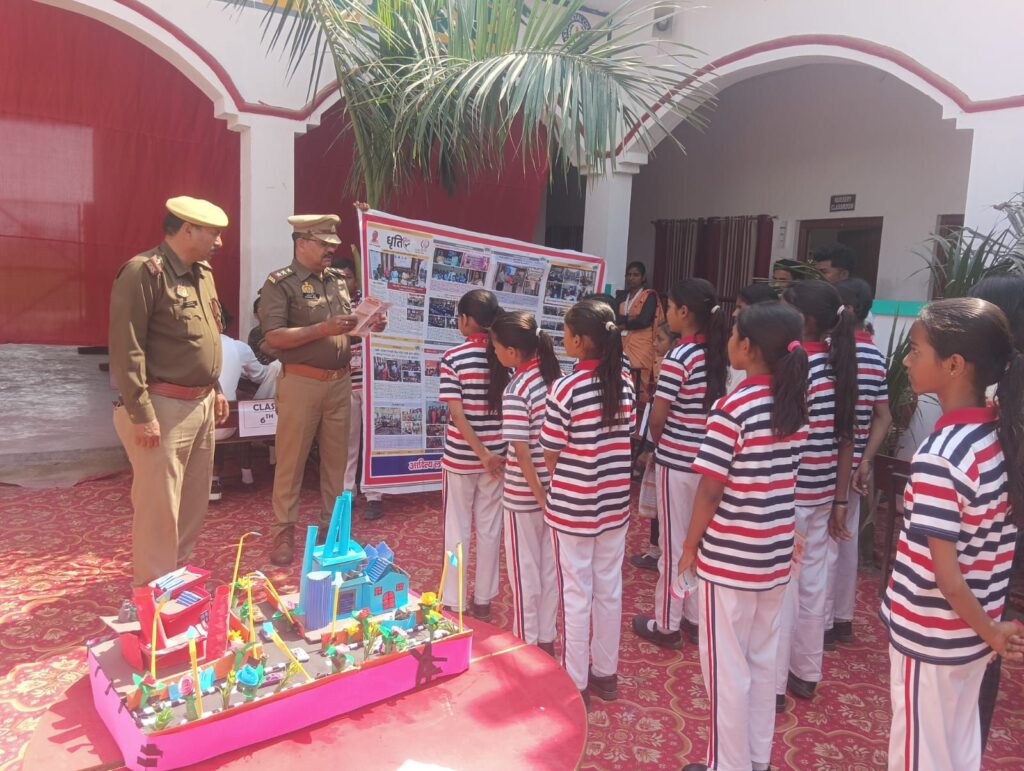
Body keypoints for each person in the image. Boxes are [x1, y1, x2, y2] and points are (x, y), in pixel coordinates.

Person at [878, 298, 1024, 771]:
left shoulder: (941, 457)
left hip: (933, 636)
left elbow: (948, 578)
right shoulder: (999, 434)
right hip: (970, 636)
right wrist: (989, 631)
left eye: (916, 350)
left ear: (955, 364)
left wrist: (993, 632)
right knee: (957, 748)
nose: (906, 361)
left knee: (919, 755)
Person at [679, 301, 809, 771]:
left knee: (726, 670)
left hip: (730, 557)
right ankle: (755, 759)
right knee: (759, 661)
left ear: (748, 347)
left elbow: (711, 489)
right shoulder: (794, 405)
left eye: (734, 334)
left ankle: (727, 764)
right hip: (773, 553)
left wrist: (689, 547)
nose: (729, 341)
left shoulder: (732, 408)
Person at [108, 195, 231, 587]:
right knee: (158, 511)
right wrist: (141, 414)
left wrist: (216, 388)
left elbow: (206, 335)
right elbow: (126, 348)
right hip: (161, 407)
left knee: (192, 503)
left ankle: (174, 581)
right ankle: (152, 596)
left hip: (200, 403)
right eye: (213, 233)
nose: (219, 242)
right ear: (187, 230)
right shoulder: (143, 272)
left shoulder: (202, 273)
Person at [259, 214, 385, 566]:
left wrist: (367, 325)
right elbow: (273, 337)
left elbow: (343, 330)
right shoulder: (280, 283)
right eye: (323, 244)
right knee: (291, 461)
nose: (331, 250)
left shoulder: (336, 281)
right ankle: (283, 530)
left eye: (333, 244)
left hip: (339, 382)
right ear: (301, 243)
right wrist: (322, 329)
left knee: (336, 462)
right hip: (301, 382)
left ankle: (335, 528)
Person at [542, 298, 635, 708]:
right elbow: (628, 434)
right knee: (609, 588)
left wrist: (566, 476)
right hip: (614, 503)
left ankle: (575, 680)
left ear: (579, 341)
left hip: (574, 506)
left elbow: (551, 449)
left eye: (566, 332)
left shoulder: (566, 388)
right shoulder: (624, 383)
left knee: (576, 592)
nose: (563, 338)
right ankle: (605, 674)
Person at [632, 279, 729, 650]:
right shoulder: (715, 352)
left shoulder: (679, 356)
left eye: (670, 307)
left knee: (674, 545)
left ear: (684, 312)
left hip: (677, 461)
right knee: (697, 540)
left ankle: (666, 623)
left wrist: (658, 445)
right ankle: (692, 616)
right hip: (708, 462)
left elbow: (658, 416)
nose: (667, 313)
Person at [775, 280, 857, 708]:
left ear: (803, 319)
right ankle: (806, 671)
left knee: (782, 587)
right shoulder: (839, 366)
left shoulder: (797, 367)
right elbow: (846, 439)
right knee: (813, 583)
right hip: (823, 493)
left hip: (789, 495)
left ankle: (774, 682)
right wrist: (840, 499)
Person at [966, 275, 1024, 751]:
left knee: (980, 633)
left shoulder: (1008, 389)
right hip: (998, 532)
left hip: (993, 534)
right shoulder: (998, 384)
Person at [490, 310, 563, 654]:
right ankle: (546, 639)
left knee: (525, 574)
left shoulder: (517, 389)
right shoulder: (555, 379)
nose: (494, 353)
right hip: (556, 488)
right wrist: (549, 494)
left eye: (496, 347)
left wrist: (538, 495)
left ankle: (527, 643)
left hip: (525, 495)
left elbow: (521, 451)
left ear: (511, 351)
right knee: (549, 570)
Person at [824, 277, 891, 650]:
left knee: (822, 544)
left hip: (824, 460)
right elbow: (884, 416)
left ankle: (820, 622)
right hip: (855, 463)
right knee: (845, 540)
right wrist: (866, 460)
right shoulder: (876, 355)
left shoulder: (829, 352)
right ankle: (841, 618)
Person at [439, 289, 509, 621]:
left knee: (457, 529)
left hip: (462, 458)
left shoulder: (454, 358)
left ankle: (454, 599)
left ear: (466, 320)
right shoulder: (506, 357)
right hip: (497, 460)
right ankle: (483, 600)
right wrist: (490, 455)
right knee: (490, 529)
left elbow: (457, 414)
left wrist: (480, 453)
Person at [335, 257, 385, 521]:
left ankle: (374, 495)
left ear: (356, 279)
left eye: (348, 277)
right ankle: (347, 492)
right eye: (339, 278)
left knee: (372, 440)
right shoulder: (330, 304)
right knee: (349, 441)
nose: (344, 282)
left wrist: (379, 323)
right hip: (344, 380)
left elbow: (383, 330)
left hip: (369, 382)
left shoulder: (367, 303)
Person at [629, 321, 680, 572]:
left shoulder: (673, 365)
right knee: (659, 504)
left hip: (664, 447)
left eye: (660, 339)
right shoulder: (665, 364)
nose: (654, 343)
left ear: (674, 343)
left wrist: (653, 447)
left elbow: (659, 417)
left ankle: (660, 552)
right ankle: (657, 549)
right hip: (662, 445)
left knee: (664, 506)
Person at [211, 303, 270, 500]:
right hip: (227, 424)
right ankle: (241, 475)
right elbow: (260, 376)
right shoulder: (238, 347)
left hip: (192, 425)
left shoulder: (185, 347)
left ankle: (211, 478)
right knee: (235, 409)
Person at [614, 261, 664, 407]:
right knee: (621, 373)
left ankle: (641, 409)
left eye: (635, 275)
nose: (631, 278)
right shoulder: (622, 296)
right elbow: (614, 315)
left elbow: (644, 320)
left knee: (641, 376)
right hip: (622, 342)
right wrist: (630, 319)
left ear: (643, 278)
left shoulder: (649, 296)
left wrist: (624, 322)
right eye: (628, 275)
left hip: (641, 344)